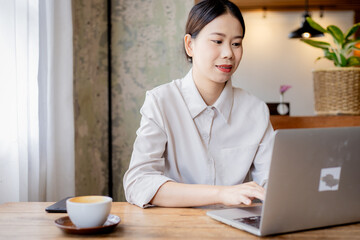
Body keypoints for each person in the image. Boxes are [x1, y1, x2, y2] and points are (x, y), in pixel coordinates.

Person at [123, 0, 275, 208]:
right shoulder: (161, 101)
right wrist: (221, 194)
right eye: (217, 41)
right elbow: (137, 183)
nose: (229, 53)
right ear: (190, 45)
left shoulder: (255, 110)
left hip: (235, 228)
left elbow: (271, 186)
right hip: (175, 227)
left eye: (236, 43)